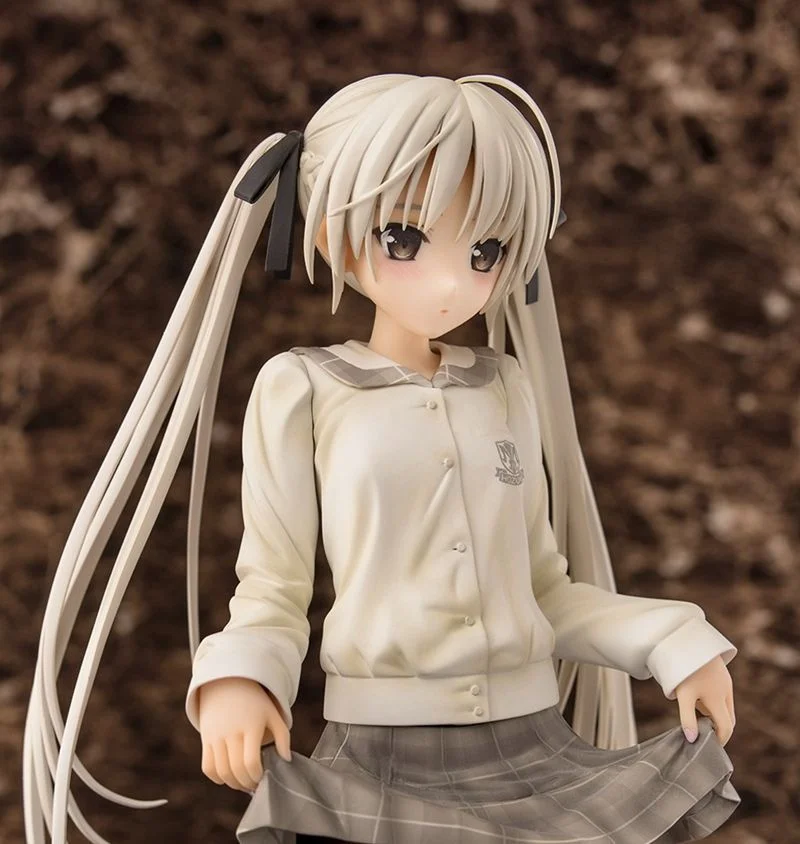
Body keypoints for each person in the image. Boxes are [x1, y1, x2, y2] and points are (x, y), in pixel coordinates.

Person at [24, 74, 740, 844]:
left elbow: (545, 589)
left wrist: (675, 640)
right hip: (382, 753)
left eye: (486, 250)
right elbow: (273, 585)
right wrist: (238, 675)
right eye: (404, 240)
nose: (452, 282)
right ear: (333, 234)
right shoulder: (305, 388)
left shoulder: (503, 385)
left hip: (536, 742)